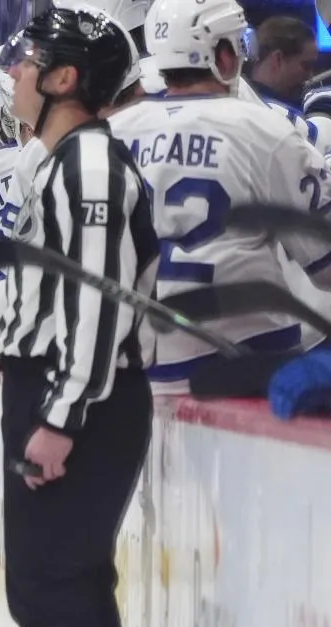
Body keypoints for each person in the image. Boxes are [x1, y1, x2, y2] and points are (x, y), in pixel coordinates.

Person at [0, 9, 156, 627]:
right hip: (57, 389)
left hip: (83, 404)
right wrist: (6, 342)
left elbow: (103, 304)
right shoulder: (61, 163)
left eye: (28, 60)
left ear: (66, 78)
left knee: (59, 599)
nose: (14, 73)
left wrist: (61, 418)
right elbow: (62, 289)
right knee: (52, 595)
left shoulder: (91, 168)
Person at [107, 0, 331, 393]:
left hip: (137, 377)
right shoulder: (263, 129)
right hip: (246, 369)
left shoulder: (107, 135)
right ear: (223, 55)